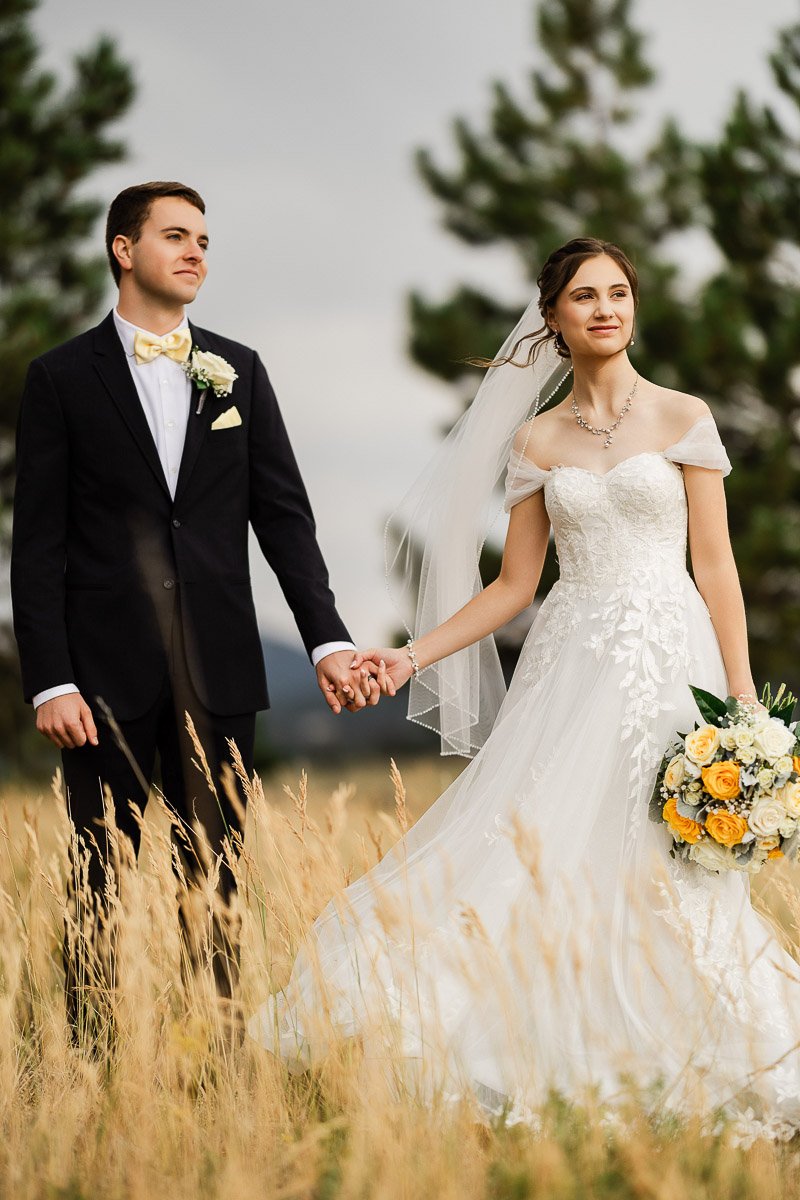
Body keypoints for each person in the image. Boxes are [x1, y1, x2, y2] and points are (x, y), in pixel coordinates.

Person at [248, 238, 800, 1140]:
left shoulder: (684, 417)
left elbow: (717, 568)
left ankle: (708, 1049)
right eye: (584, 296)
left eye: (618, 293)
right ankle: (542, 1041)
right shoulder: (536, 440)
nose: (605, 309)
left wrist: (741, 699)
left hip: (673, 661)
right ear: (552, 318)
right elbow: (512, 587)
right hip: (569, 660)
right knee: (549, 842)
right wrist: (411, 656)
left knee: (669, 860)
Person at [10, 180, 389, 1046]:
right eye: (176, 236)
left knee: (216, 883)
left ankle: (217, 1058)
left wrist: (327, 640)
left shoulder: (238, 369)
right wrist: (50, 680)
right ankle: (93, 1064)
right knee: (97, 881)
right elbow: (36, 545)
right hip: (100, 683)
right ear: (123, 249)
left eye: (205, 241)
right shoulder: (61, 378)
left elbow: (284, 520)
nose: (195, 254)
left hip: (220, 671)